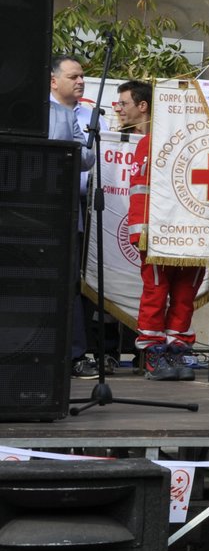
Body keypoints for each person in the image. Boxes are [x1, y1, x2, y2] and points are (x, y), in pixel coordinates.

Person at [124, 79, 203, 381]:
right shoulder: (151, 141)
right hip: (160, 232)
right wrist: (140, 232)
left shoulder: (206, 142)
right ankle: (154, 351)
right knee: (157, 291)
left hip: (195, 234)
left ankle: (178, 346)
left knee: (186, 292)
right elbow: (140, 189)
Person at [50, 56, 95, 375]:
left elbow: (87, 157)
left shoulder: (82, 115)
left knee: (70, 283)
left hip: (68, 212)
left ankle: (75, 355)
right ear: (53, 81)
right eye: (73, 76)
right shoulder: (36, 110)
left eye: (82, 76)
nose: (80, 81)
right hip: (32, 208)